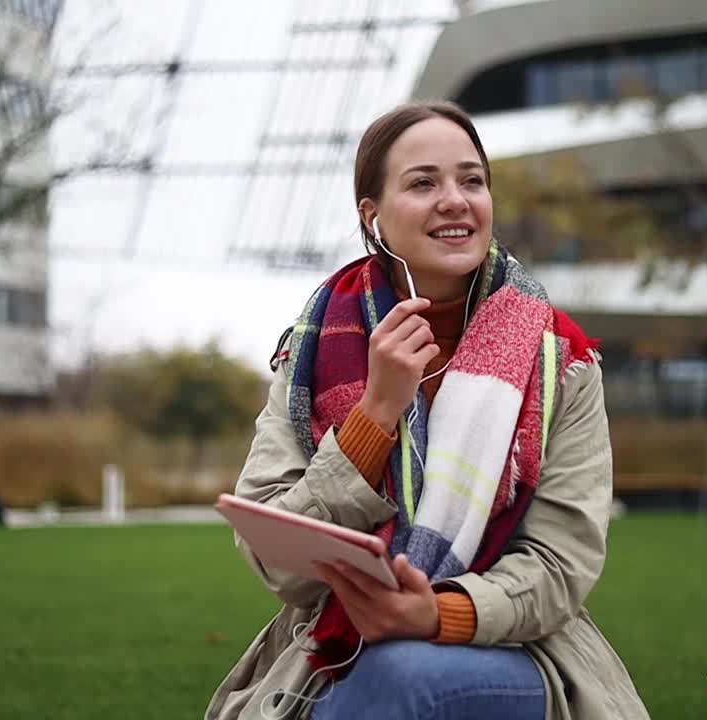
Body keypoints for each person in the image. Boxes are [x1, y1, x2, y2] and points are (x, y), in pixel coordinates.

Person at [205, 101, 649, 720]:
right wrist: (376, 413)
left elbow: (559, 569)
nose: (455, 200)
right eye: (423, 183)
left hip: (519, 647)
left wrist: (435, 612)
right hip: (334, 644)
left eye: (472, 180)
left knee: (400, 677)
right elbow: (279, 566)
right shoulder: (311, 350)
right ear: (374, 215)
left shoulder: (559, 360)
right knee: (376, 678)